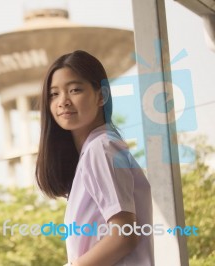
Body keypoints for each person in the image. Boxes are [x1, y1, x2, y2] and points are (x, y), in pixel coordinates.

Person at [35, 50, 154, 266]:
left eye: (74, 90)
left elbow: (124, 236)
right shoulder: (96, 149)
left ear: (101, 96)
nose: (63, 101)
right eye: (54, 94)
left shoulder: (101, 147)